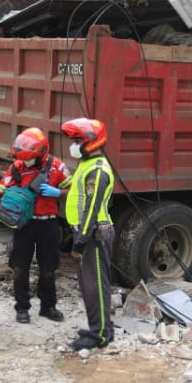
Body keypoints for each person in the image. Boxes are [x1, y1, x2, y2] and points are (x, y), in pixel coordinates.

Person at [0, 127, 69, 324]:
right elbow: (0, 191)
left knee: (48, 268)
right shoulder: (17, 167)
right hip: (23, 225)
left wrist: (58, 193)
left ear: (41, 153)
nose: (25, 162)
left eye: (29, 159)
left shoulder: (57, 167)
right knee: (20, 267)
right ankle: (22, 308)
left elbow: (72, 191)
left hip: (48, 224)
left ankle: (48, 307)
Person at [59, 118, 116, 351]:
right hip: (87, 232)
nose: (73, 145)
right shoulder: (86, 164)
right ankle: (100, 328)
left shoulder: (97, 170)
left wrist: (81, 239)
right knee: (88, 285)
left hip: (94, 233)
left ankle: (100, 335)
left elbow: (92, 208)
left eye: (77, 141)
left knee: (96, 286)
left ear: (92, 142)